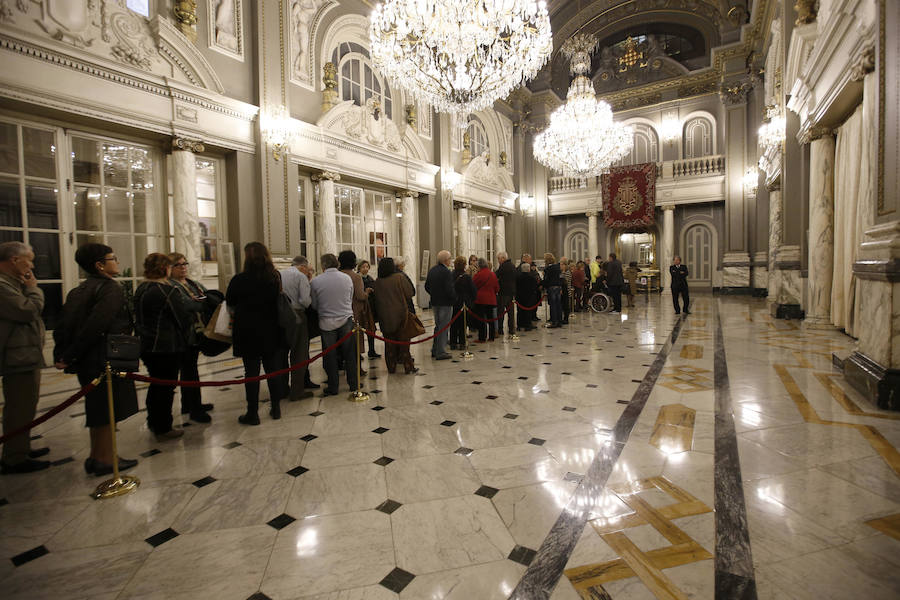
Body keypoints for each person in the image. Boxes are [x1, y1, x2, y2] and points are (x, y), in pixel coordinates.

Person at [54, 243, 139, 477]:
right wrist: (70, 354)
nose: (117, 262)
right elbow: (97, 325)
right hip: (104, 357)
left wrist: (63, 354)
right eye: (113, 258)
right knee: (106, 409)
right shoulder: (110, 289)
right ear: (99, 265)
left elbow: (63, 325)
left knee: (98, 408)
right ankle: (104, 458)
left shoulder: (79, 290)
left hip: (89, 359)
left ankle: (97, 455)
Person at [0, 242, 49, 474]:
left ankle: (21, 447)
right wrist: (33, 288)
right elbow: (27, 310)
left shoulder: (13, 283)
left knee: (27, 405)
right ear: (14, 260)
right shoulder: (2, 286)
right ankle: (15, 457)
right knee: (19, 406)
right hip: (16, 356)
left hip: (25, 352)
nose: (31, 264)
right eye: (28, 259)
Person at [226, 242, 289, 424]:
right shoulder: (273, 278)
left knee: (251, 373)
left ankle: (252, 412)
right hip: (270, 330)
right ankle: (275, 407)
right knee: (272, 371)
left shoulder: (239, 280)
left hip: (248, 332)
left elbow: (229, 301)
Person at [135, 253, 191, 440]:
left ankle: (154, 421)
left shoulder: (141, 289)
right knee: (166, 387)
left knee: (156, 384)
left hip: (146, 344)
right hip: (166, 346)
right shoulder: (166, 291)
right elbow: (182, 318)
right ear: (165, 269)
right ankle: (164, 426)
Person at [167, 253, 213, 422]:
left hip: (196, 331)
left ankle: (190, 403)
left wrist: (202, 301)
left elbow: (208, 297)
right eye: (178, 265)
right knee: (189, 371)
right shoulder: (171, 286)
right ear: (170, 268)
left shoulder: (192, 283)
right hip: (182, 334)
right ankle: (195, 408)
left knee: (191, 369)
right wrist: (201, 302)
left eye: (184, 263)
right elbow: (187, 304)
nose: (183, 267)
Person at [310, 253, 358, 395]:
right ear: (336, 263)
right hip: (345, 319)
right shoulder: (346, 279)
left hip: (326, 321)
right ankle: (354, 383)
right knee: (349, 353)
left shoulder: (316, 281)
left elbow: (314, 304)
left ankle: (333, 386)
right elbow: (350, 298)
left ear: (323, 265)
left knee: (330, 355)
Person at [374, 257, 417, 373]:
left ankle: (391, 368)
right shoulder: (399, 277)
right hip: (400, 315)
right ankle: (408, 367)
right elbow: (410, 293)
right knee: (404, 344)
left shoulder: (377, 281)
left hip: (384, 317)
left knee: (389, 345)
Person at [280, 256, 314, 402]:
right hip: (297, 315)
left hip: (280, 315)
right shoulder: (301, 277)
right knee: (299, 353)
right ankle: (297, 390)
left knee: (281, 354)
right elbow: (305, 301)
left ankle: (281, 389)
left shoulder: (279, 273)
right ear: (303, 266)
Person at [339, 250, 373, 374]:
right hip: (354, 311)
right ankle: (356, 369)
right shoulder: (355, 277)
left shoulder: (338, 274)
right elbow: (360, 296)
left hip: (338, 312)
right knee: (355, 342)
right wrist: (367, 292)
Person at [424, 250, 455, 360]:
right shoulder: (446, 272)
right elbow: (449, 289)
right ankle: (441, 351)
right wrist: (454, 298)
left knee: (438, 326)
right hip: (445, 303)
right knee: (444, 327)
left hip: (435, 302)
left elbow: (427, 286)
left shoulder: (432, 270)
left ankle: (435, 349)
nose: (451, 260)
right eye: (450, 258)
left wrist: (434, 294)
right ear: (446, 260)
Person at [450, 255, 475, 350]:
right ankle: (462, 343)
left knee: (453, 324)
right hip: (464, 302)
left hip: (454, 302)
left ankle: (453, 343)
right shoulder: (467, 277)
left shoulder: (451, 275)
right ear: (464, 265)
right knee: (462, 325)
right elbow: (473, 290)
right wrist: (471, 301)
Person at [472, 258, 499, 342]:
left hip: (480, 300)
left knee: (481, 320)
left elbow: (473, 286)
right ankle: (491, 337)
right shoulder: (493, 274)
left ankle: (482, 338)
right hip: (491, 300)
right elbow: (497, 288)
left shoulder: (478, 275)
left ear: (479, 266)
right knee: (491, 319)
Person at [358, 260, 380, 358]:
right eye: (363, 267)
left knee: (371, 329)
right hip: (361, 308)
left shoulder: (370, 278)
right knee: (359, 331)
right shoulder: (358, 278)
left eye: (367, 267)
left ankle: (371, 350)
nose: (365, 269)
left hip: (370, 308)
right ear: (359, 268)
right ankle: (358, 352)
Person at [495, 251, 517, 335]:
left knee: (500, 312)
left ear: (503, 258)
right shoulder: (512, 265)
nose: (498, 260)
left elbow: (496, 275)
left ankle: (500, 329)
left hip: (503, 292)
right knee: (510, 312)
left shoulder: (503, 266)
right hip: (511, 292)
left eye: (498, 259)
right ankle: (511, 329)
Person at [515, 263, 539, 331]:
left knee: (519, 311)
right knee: (528, 311)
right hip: (529, 297)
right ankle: (527, 325)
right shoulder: (532, 278)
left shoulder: (518, 277)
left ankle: (519, 325)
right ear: (529, 269)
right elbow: (535, 287)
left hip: (519, 297)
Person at [542, 253, 563, 328]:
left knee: (553, 305)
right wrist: (560, 287)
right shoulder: (558, 267)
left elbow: (546, 280)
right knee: (558, 305)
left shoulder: (548, 269)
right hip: (558, 287)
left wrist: (543, 285)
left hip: (551, 287)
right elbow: (561, 278)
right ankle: (559, 321)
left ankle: (554, 322)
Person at [560, 257, 573, 324]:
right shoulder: (562, 272)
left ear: (565, 265)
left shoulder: (567, 272)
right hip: (562, 291)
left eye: (562, 264)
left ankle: (566, 319)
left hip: (566, 291)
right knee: (563, 305)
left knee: (566, 306)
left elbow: (565, 281)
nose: (560, 266)